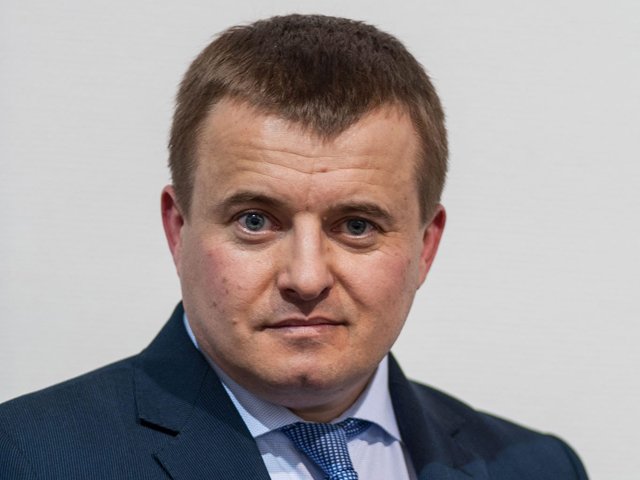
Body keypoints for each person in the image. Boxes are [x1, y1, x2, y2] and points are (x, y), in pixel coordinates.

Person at [0, 14, 587, 479]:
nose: (306, 279)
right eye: (255, 221)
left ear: (425, 247)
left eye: (357, 226)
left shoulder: (539, 467)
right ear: (178, 229)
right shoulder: (26, 458)